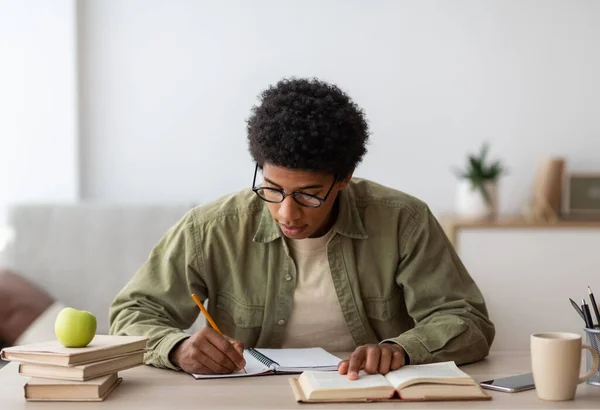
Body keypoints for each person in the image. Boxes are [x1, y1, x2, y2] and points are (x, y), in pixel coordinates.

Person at [109, 77, 494, 380]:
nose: (286, 212)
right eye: (272, 189)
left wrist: (403, 349)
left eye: (309, 195)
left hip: (363, 391)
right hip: (248, 395)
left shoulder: (402, 221)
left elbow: (466, 319)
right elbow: (133, 312)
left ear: (343, 178)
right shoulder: (211, 228)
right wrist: (176, 348)